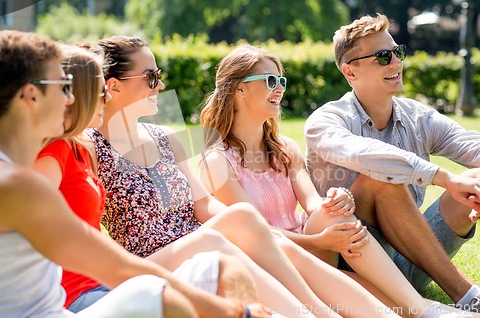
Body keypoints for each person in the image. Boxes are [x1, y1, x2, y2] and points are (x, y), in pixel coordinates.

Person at [89, 35, 475, 318]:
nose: (160, 84)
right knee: (243, 222)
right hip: (154, 256)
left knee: (264, 230)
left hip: (216, 238)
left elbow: (204, 207)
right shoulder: (92, 146)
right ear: (114, 85)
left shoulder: (168, 137)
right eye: (150, 76)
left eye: (159, 74)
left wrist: (331, 207)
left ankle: (394, 314)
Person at [0, 29, 270, 318]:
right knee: (160, 299)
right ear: (31, 96)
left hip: (68, 304)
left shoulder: (10, 175)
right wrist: (238, 312)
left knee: (221, 269)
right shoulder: (12, 185)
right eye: (64, 88)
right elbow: (115, 267)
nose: (71, 100)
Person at [198, 43, 479, 318]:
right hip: (268, 263)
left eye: (281, 80)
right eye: (270, 80)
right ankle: (424, 308)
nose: (279, 88)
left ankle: (423, 307)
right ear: (239, 88)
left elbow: (312, 204)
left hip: (313, 253)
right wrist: (319, 240)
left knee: (331, 211)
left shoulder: (284, 150)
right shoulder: (217, 162)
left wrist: (338, 199)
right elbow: (254, 233)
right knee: (391, 309)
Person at [304, 13, 480, 313]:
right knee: (379, 179)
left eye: (398, 52)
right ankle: (467, 295)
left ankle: (423, 292)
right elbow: (366, 155)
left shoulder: (418, 117)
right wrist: (444, 177)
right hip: (358, 268)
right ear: (350, 72)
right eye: (384, 57)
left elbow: (470, 144)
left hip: (415, 258)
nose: (397, 63)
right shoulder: (325, 121)